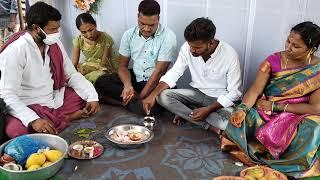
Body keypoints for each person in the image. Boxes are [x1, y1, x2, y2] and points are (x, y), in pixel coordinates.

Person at [224, 21, 320, 178]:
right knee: (244, 117)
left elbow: (316, 108)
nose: (289, 47)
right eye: (288, 41)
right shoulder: (273, 61)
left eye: (296, 46)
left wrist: (277, 106)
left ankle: (291, 165)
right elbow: (255, 90)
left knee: (315, 127)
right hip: (266, 109)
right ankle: (257, 154)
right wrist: (242, 109)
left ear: (312, 49)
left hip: (298, 113)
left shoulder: (317, 70)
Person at [0, 2, 100, 139]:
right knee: (16, 131)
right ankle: (65, 118)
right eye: (52, 29)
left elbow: (70, 74)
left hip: (52, 99)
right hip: (27, 104)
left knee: (84, 97)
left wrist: (92, 96)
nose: (57, 33)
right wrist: (33, 119)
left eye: (57, 29)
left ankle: (55, 119)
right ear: (36, 28)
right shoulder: (16, 50)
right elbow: (7, 94)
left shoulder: (53, 43)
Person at [142, 18, 242, 133]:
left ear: (210, 42)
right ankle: (208, 125)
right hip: (196, 95)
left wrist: (208, 109)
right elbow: (174, 73)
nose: (192, 50)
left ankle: (188, 113)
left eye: (197, 48)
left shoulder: (230, 54)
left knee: (229, 123)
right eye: (190, 46)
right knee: (162, 96)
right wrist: (152, 95)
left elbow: (235, 93)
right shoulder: (187, 47)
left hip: (219, 102)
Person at [95, 0, 176, 115]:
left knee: (151, 108)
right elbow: (122, 66)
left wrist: (140, 96)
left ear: (158, 18)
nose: (146, 29)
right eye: (142, 23)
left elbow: (159, 72)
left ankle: (125, 102)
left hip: (157, 82)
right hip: (137, 78)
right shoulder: (129, 34)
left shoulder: (168, 36)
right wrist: (128, 86)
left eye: (151, 25)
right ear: (138, 17)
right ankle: (131, 102)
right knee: (101, 81)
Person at [73, 13, 119, 84]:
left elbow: (104, 63)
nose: (88, 35)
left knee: (100, 78)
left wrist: (88, 69)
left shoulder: (106, 38)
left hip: (105, 69)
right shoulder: (79, 40)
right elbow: (74, 64)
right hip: (89, 69)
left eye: (90, 30)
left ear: (95, 25)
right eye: (83, 32)